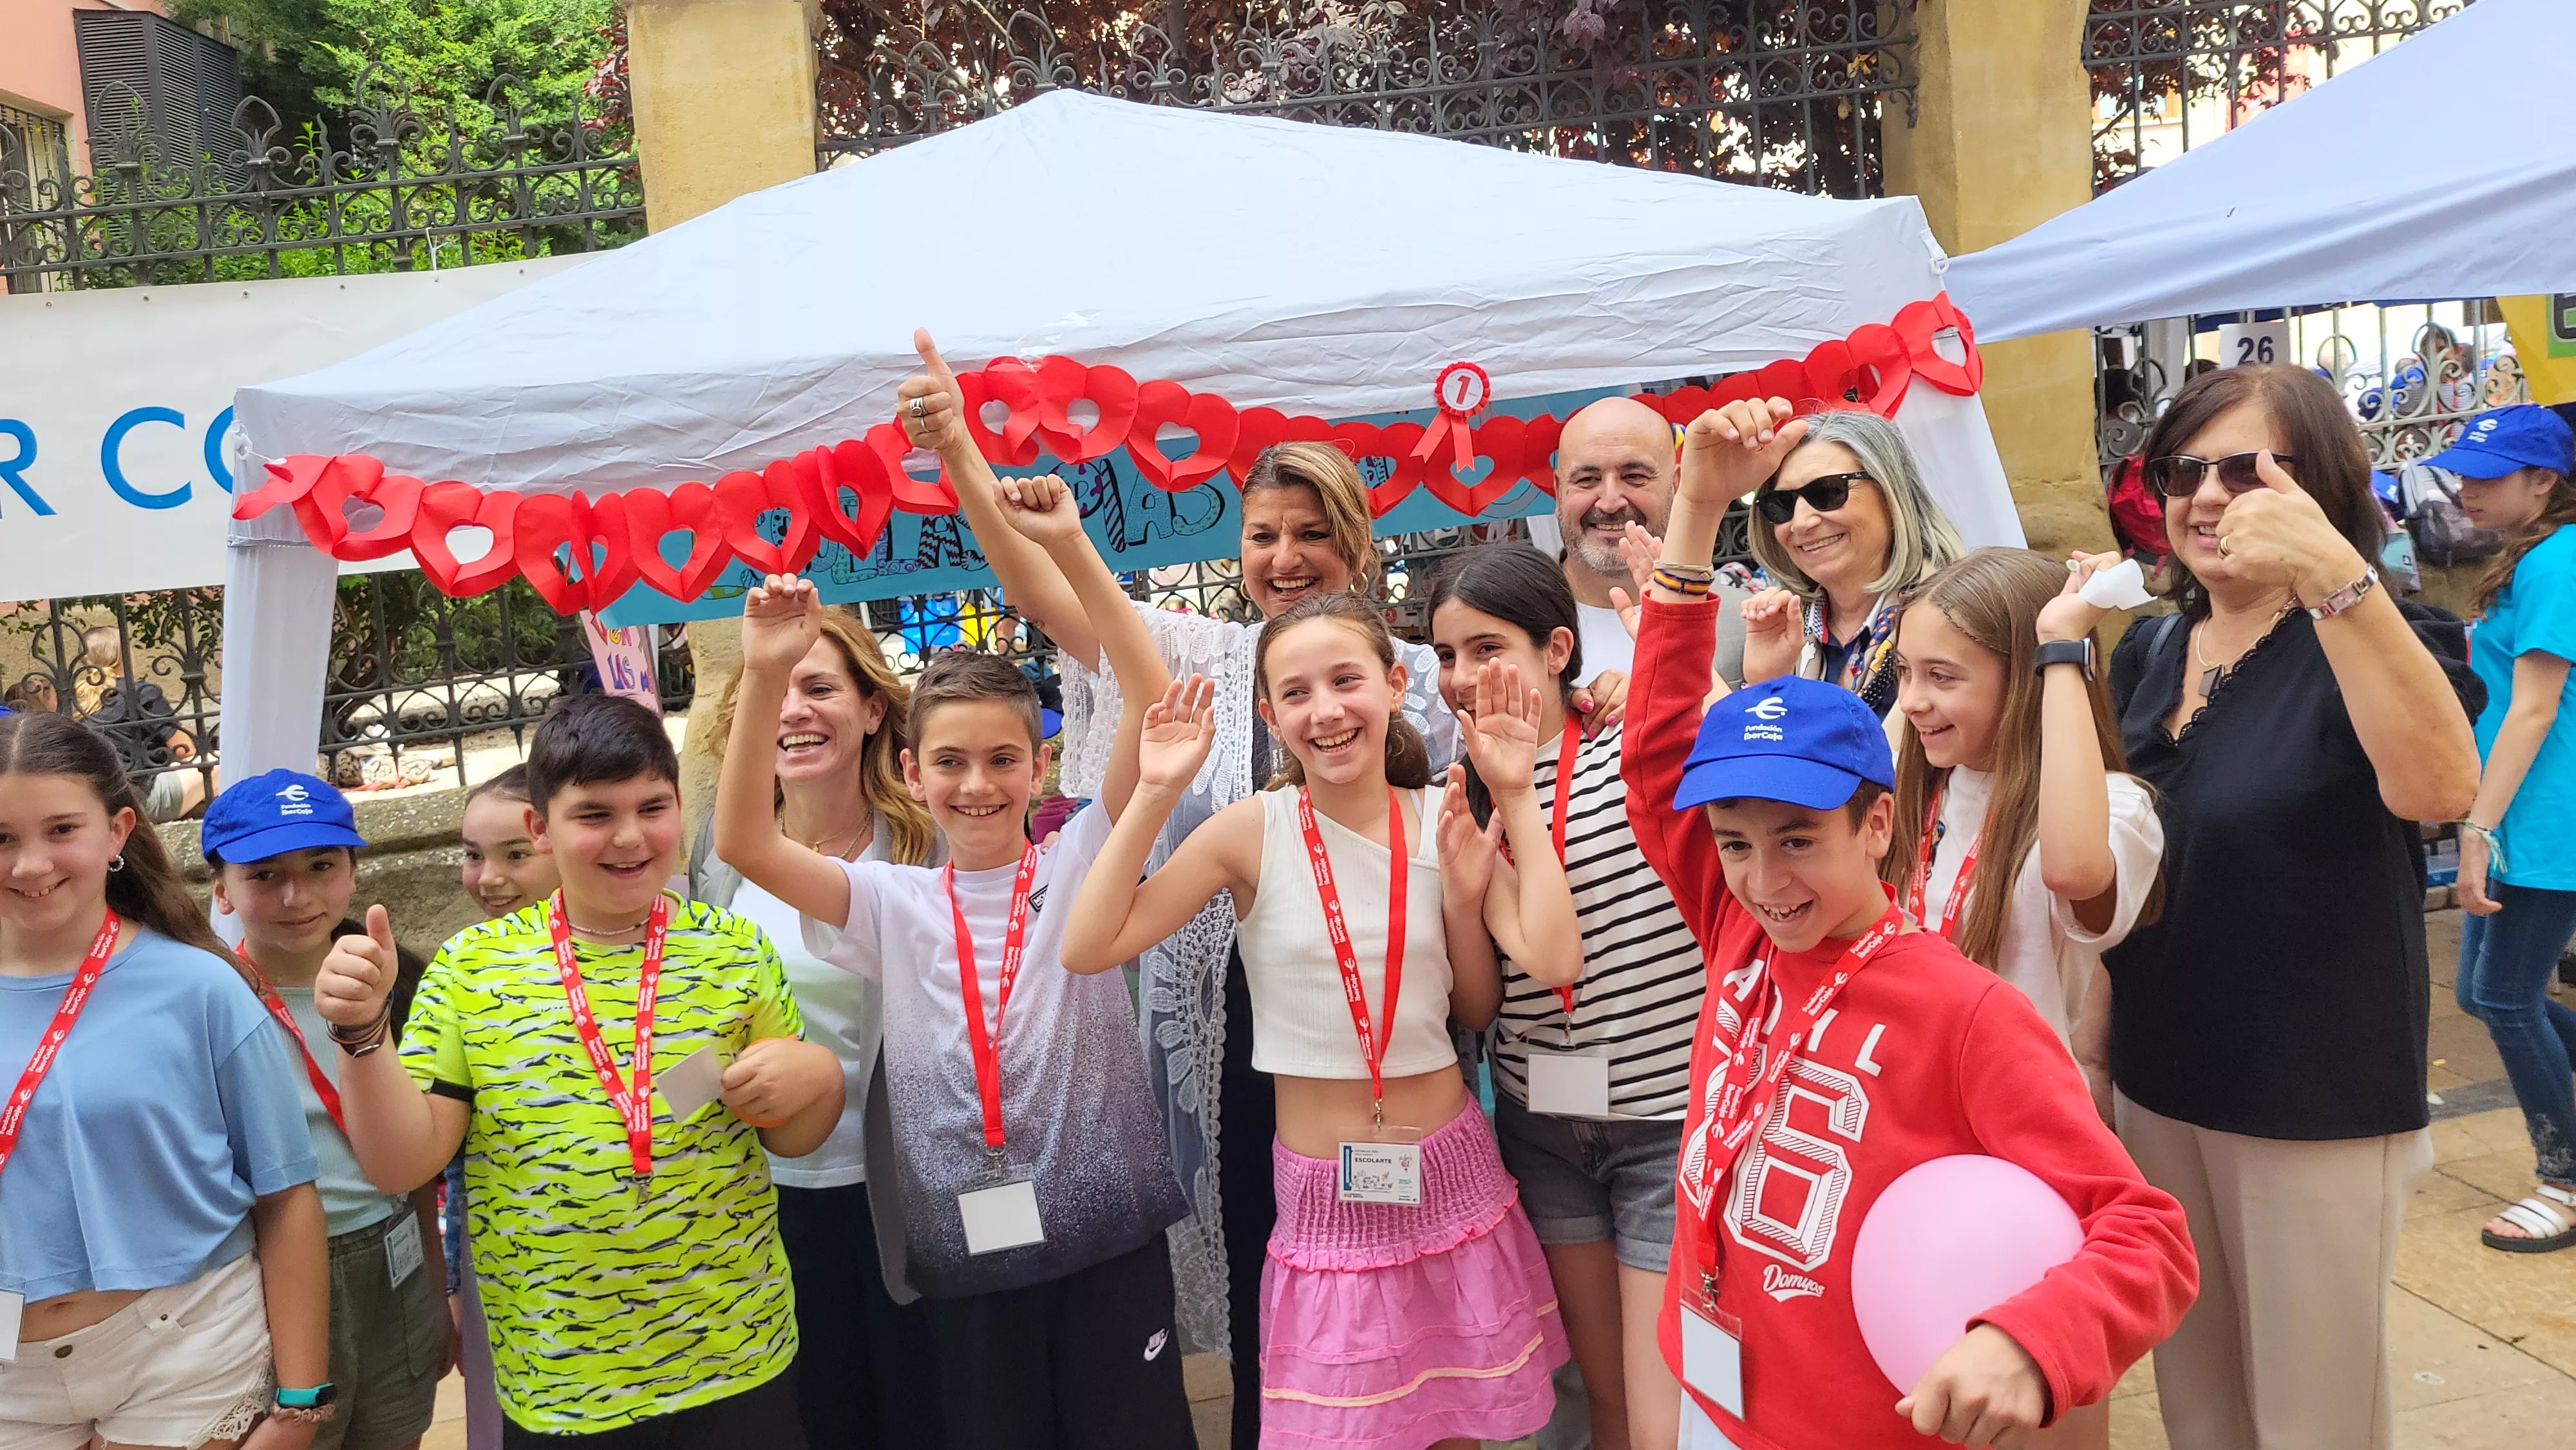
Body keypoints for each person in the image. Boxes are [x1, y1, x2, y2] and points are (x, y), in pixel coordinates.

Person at [894, 330, 1478, 1433]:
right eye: (1265, 535)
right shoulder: (1202, 656)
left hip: (1382, 1042)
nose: (1287, 556)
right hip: (1233, 1040)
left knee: (1406, 1300)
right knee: (1275, 1273)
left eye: (1312, 533)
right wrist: (961, 452)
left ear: (1354, 546)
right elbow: (1049, 580)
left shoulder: (1408, 687)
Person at [1624, 397, 2197, 1450]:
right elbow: (1658, 759)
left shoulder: (1963, 1008)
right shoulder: (1741, 926)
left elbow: (2148, 1235)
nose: (1762, 877)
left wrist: (2031, 1339)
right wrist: (1697, 511)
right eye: (1735, 843)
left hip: (1883, 1391)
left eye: (1798, 838)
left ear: (1873, 817)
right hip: (1719, 1379)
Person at [715, 487, 1193, 1449]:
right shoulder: (889, 900)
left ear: (1039, 762)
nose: (978, 786)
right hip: (968, 1244)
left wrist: (1066, 541)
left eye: (1004, 759)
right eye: (951, 762)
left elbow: (1149, 702)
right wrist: (766, 673)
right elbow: (745, 841)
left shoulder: (1081, 857)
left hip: (1107, 1236)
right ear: (914, 768)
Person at [1064, 583, 1575, 1450]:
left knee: (1458, 1424)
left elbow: (1519, 982)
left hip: (1450, 1178)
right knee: (1345, 1431)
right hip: (1322, 1197)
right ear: (1267, 714)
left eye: (1346, 681)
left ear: (1393, 685)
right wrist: (1154, 792)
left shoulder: (1443, 818)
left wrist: (1490, 845)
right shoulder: (1247, 832)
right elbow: (1089, 943)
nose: (1326, 711)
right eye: (1296, 694)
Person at [2103, 363, 2482, 1450]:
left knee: (2317, 1417)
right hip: (2160, 1079)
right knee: (2200, 1406)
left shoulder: (2379, 635)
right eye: (2185, 469)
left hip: (2311, 1094)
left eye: (2246, 468)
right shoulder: (2152, 648)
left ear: (2315, 483)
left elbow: (2438, 790)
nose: (2209, 495)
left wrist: (2337, 576)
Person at [312, 693, 846, 1446]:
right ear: (541, 827)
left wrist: (817, 1076)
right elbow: (402, 1160)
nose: (630, 836)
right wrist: (363, 1035)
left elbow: (793, 1138)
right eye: (594, 813)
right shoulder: (474, 970)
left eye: (652, 807)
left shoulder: (733, 948)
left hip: (737, 1349)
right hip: (564, 1375)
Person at [1426, 542, 1699, 1450]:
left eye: (1488, 647)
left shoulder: (1637, 748)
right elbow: (1504, 986)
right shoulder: (1457, 794)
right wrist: (1489, 834)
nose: (1465, 676)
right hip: (1546, 1130)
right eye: (1448, 655)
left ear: (1556, 648)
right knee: (1599, 1385)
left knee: (1669, 1393)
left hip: (1667, 1118)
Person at [0, 710, 333, 1450]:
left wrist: (300, 1403)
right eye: (2, 837)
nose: (30, 864)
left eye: (61, 829)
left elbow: (285, 1194)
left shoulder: (202, 987)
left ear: (118, 831)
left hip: (184, 1347)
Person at [690, 605, 949, 1444]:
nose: (796, 709)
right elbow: (703, 1023)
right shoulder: (717, 859)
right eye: (778, 690)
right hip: (769, 1208)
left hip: (906, 1206)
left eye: (821, 687)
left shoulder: (929, 853)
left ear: (874, 708)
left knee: (921, 1413)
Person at [205, 769, 446, 1450]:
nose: (297, 894)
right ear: (221, 887)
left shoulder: (404, 980)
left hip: (395, 1252)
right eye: (264, 874)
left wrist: (434, 1282)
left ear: (352, 871)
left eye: (321, 866)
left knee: (395, 1428)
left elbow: (416, 1161)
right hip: (274, 1273)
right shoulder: (210, 999)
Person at [1881, 548, 2165, 1051]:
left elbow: (2073, 872)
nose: (1910, 701)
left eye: (1941, 676)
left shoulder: (2113, 806)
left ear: (2024, 681)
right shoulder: (1911, 787)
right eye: (1904, 671)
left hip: (2014, 1107)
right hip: (1903, 1096)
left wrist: (2059, 647)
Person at [2426, 404, 2576, 1252]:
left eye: (2489, 477)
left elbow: (2535, 708)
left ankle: (2564, 1179)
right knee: (2481, 994)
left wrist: (2477, 830)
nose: (2467, 490)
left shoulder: (2558, 559)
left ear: (2544, 481)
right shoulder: (2538, 555)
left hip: (2547, 820)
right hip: (2526, 812)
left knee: (2508, 999)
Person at [445, 766, 558, 1450]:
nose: (488, 878)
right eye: (472, 854)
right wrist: (456, 1280)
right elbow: (453, 1156)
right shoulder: (462, 978)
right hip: (512, 1273)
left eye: (515, 854)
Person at [1735, 410, 1968, 713]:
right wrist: (1765, 684)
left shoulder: (1962, 616)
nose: (1801, 523)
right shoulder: (1781, 633)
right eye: (1783, 505)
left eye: (1828, 492)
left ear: (1892, 493)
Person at [1543, 394, 1748, 688]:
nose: (1610, 502)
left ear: (1675, 487)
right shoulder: (1505, 622)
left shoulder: (1742, 623)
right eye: (1588, 479)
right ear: (1558, 491)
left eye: (1635, 477)